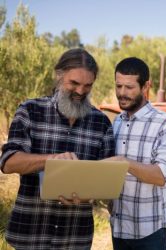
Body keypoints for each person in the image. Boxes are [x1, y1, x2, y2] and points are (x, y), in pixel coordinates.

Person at [0, 48, 115, 250]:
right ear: (59, 76)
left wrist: (91, 195)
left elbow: (107, 177)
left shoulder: (102, 123)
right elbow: (8, 163)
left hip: (75, 237)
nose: (81, 91)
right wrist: (53, 160)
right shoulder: (30, 111)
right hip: (31, 233)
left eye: (88, 85)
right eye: (74, 83)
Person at [108, 57, 166, 250]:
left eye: (129, 87)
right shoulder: (117, 122)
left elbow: (161, 176)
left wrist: (125, 162)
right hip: (119, 226)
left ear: (146, 86)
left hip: (150, 230)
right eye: (118, 86)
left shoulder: (164, 122)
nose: (122, 93)